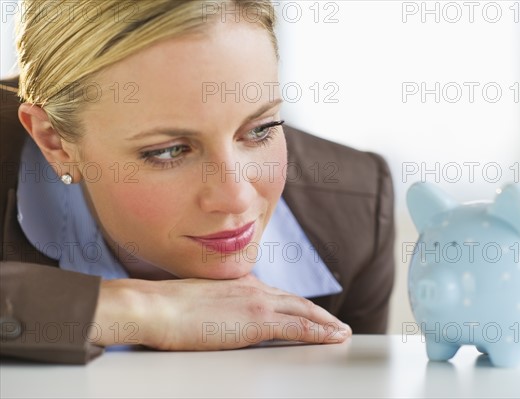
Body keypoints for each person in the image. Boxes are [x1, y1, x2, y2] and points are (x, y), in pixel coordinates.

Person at [0, 0, 395, 364]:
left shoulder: (356, 207)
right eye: (169, 151)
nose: (236, 198)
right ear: (55, 142)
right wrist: (141, 310)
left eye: (260, 130)